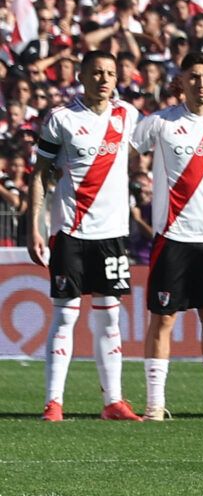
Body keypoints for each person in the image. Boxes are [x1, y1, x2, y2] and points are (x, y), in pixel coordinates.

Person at [131, 52, 203, 421]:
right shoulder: (160, 123)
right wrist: (137, 188)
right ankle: (154, 403)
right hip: (173, 235)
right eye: (194, 77)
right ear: (181, 81)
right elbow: (128, 153)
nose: (201, 83)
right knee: (163, 318)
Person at [30, 50, 145, 422]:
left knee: (110, 319)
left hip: (112, 234)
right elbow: (40, 174)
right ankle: (53, 402)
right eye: (96, 72)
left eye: (110, 73)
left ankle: (113, 401)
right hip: (71, 232)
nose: (104, 79)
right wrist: (36, 226)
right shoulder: (61, 119)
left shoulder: (127, 115)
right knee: (65, 316)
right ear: (82, 75)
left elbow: (154, 144)